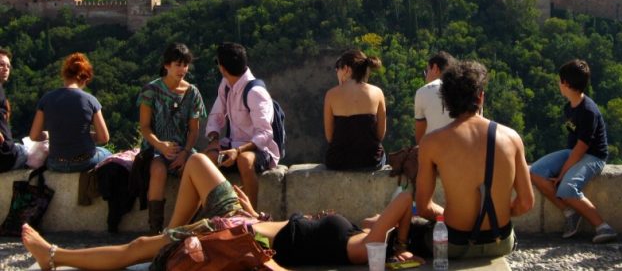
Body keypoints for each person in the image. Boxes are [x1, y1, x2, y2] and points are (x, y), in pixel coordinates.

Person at [21, 152, 420, 270]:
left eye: (382, 222)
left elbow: (404, 198)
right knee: (196, 162)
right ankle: (170, 246)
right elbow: (400, 207)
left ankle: (55, 257)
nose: (376, 214)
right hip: (250, 219)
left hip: (236, 232)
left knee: (138, 245)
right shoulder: (353, 233)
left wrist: (400, 234)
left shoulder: (359, 247)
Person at [415, 60, 534, 259]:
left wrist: (453, 214)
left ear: (446, 101)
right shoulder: (511, 137)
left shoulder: (431, 143)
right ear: (480, 97)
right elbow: (526, 203)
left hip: (455, 243)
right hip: (500, 241)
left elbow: (424, 207)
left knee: (413, 231)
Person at [529, 59, 617, 244]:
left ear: (566, 84)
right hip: (574, 152)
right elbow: (574, 145)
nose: (558, 84)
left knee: (567, 188)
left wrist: (562, 173)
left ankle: (603, 226)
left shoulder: (588, 111)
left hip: (594, 156)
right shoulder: (569, 107)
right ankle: (570, 213)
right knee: (535, 172)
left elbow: (582, 147)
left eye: (560, 80)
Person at [137, 43, 207, 233]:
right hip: (155, 147)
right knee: (158, 171)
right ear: (167, 65)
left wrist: (184, 153)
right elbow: (144, 127)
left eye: (185, 65)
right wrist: (160, 145)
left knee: (195, 173)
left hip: (183, 149)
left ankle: (188, 227)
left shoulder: (192, 93)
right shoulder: (150, 90)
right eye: (178, 64)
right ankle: (155, 230)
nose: (182, 70)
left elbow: (194, 130)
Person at [205, 42, 280, 210]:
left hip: (258, 149)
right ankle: (214, 211)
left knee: (244, 161)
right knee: (206, 158)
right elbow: (216, 115)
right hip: (232, 145)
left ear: (222, 68)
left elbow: (265, 134)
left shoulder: (255, 92)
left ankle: (251, 215)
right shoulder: (226, 85)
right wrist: (214, 139)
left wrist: (238, 151)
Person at [29, 53, 111, 172]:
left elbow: (34, 136)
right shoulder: (90, 100)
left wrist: (49, 134)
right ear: (85, 78)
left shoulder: (46, 99)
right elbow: (104, 138)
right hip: (84, 162)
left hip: (56, 163)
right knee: (107, 153)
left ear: (64, 75)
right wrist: (86, 135)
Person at [324, 49, 386, 170]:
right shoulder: (377, 92)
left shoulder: (331, 95)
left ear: (346, 69)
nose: (336, 72)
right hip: (370, 161)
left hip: (338, 161)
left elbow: (330, 137)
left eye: (338, 68)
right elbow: (380, 135)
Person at [414, 51, 456, 144]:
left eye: (427, 70)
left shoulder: (422, 92)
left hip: (435, 151)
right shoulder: (467, 88)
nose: (426, 76)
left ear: (435, 68)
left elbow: (420, 137)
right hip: (464, 151)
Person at [0, 48, 27, 172]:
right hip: (6, 157)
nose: (6, 69)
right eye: (1, 64)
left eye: (8, 66)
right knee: (37, 153)